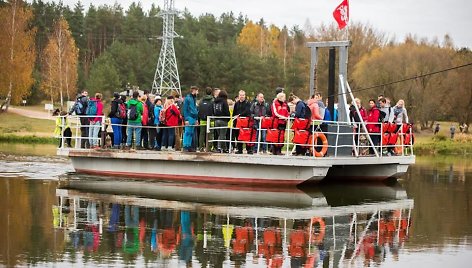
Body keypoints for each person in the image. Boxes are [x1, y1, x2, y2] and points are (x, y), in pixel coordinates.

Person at [233, 90, 253, 154]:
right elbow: (234, 112)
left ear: (245, 96)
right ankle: (240, 149)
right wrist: (235, 119)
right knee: (238, 136)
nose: (242, 96)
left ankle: (249, 150)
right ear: (238, 96)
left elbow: (247, 111)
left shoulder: (248, 103)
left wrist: (239, 115)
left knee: (246, 136)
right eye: (240, 95)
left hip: (245, 123)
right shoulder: (236, 103)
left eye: (243, 95)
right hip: (238, 123)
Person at [182, 86, 199, 152]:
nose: (198, 92)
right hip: (189, 117)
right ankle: (185, 146)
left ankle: (189, 146)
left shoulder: (194, 98)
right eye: (197, 91)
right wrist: (186, 119)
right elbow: (185, 109)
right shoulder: (187, 98)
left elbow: (195, 109)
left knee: (191, 133)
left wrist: (196, 119)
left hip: (194, 117)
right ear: (194, 90)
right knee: (187, 132)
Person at [198, 87, 214, 152]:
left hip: (202, 119)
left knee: (202, 134)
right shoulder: (213, 100)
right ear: (211, 92)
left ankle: (201, 147)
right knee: (211, 134)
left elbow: (199, 109)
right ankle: (209, 148)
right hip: (211, 119)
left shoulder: (201, 100)